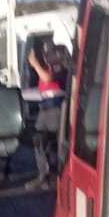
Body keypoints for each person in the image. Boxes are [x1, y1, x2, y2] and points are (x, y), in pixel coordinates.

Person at [27, 42, 71, 187]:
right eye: (46, 54)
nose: (47, 57)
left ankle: (59, 176)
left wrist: (35, 64)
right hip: (45, 110)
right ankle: (43, 175)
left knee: (56, 145)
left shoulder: (61, 69)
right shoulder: (47, 69)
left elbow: (47, 78)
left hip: (56, 110)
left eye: (50, 54)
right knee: (39, 141)